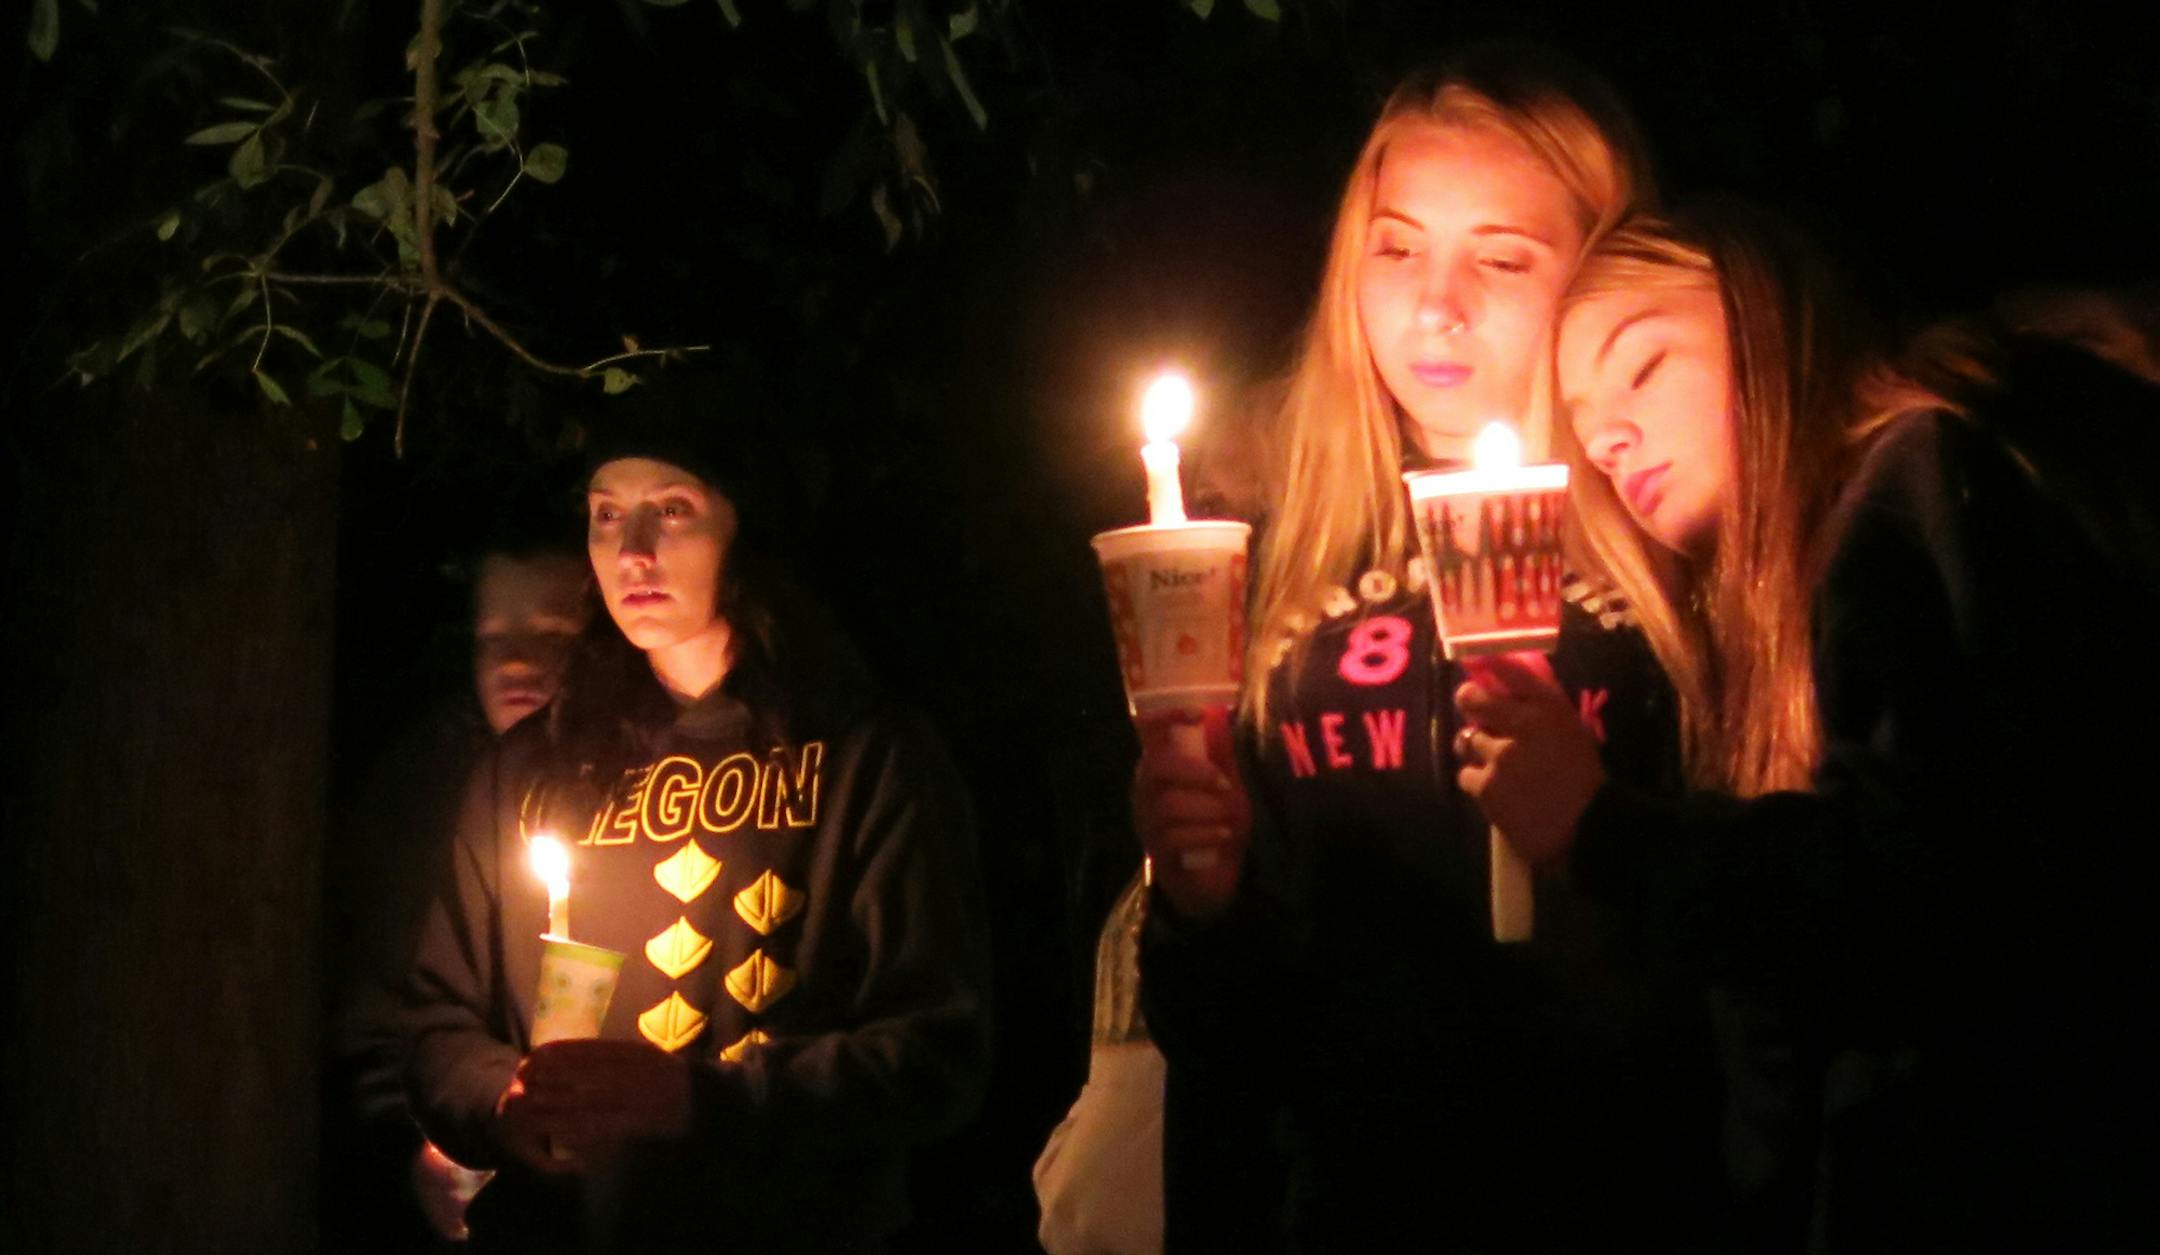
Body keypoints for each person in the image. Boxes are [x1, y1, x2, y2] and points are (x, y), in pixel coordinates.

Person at [1460, 207, 2160, 1250]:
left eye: (1642, 365)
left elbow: (1943, 892)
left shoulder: (1918, 480)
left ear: (1767, 313)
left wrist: (1608, 830)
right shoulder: (1792, 604)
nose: (1606, 439)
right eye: (1587, 420)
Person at [1134, 45, 1719, 1252]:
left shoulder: (1674, 531)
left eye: (1501, 259)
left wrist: (1596, 832)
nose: (1435, 305)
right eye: (1397, 248)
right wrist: (1203, 897)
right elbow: (1223, 1027)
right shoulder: (1267, 542)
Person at [399, 383, 993, 1253]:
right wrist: (503, 1096)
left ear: (742, 530)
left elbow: (938, 1049)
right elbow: (435, 1027)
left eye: (671, 510)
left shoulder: (862, 754)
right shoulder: (530, 767)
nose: (632, 551)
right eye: (607, 515)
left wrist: (699, 1099)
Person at [327, 522, 592, 1251]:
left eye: (551, 633)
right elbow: (378, 990)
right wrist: (418, 1140)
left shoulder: (645, 786)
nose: (514, 660)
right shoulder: (421, 797)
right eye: (491, 637)